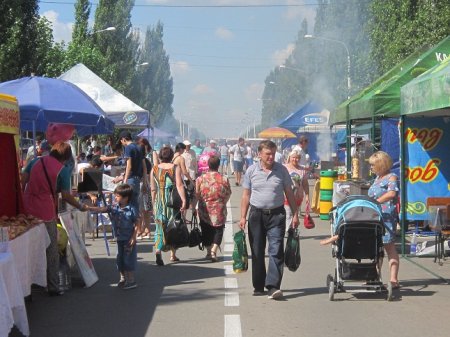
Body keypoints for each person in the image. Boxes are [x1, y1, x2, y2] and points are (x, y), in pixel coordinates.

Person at [21, 141, 88, 296]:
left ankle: (29, 285)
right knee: (51, 248)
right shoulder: (62, 170)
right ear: (66, 156)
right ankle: (52, 285)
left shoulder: (34, 161)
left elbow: (22, 181)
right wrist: (80, 206)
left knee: (30, 247)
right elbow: (65, 195)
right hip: (45, 210)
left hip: (28, 207)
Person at [239, 140, 299, 300]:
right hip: (256, 215)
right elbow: (246, 195)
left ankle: (273, 286)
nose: (271, 157)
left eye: (273, 153)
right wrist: (243, 217)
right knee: (257, 250)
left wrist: (295, 214)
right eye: (268, 154)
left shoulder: (282, 171)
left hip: (277, 215)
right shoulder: (251, 171)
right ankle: (258, 286)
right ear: (259, 154)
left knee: (276, 249)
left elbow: (289, 193)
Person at [89, 184, 139, 289]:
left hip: (128, 239)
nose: (115, 198)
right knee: (119, 259)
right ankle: (122, 278)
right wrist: (88, 208)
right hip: (119, 238)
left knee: (128, 259)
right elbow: (103, 209)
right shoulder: (114, 207)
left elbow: (137, 223)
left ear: (126, 198)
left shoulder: (131, 209)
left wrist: (134, 237)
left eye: (117, 196)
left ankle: (131, 280)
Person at [368, 151, 400, 289]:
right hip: (375, 215)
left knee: (389, 247)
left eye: (373, 165)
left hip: (387, 216)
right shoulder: (376, 178)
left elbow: (392, 193)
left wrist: (377, 202)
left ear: (381, 165)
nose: (371, 167)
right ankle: (374, 276)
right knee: (376, 247)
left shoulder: (391, 177)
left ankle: (394, 279)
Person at [150, 146, 187, 266]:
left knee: (159, 227)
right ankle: (173, 254)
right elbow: (180, 185)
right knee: (173, 226)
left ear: (161, 156)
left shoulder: (154, 169)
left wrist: (154, 204)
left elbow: (153, 189)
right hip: (172, 201)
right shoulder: (175, 168)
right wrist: (184, 200)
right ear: (171, 156)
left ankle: (158, 250)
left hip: (159, 202)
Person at [195, 156, 232, 262]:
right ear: (218, 165)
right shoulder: (224, 178)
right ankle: (214, 250)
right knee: (218, 230)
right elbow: (228, 193)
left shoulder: (200, 179)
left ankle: (208, 251)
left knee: (206, 229)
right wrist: (222, 202)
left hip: (204, 208)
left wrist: (198, 204)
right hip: (219, 208)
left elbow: (197, 194)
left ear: (208, 165)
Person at [115, 131, 146, 215]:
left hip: (131, 180)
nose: (121, 143)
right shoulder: (139, 147)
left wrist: (124, 181)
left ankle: (132, 225)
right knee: (135, 203)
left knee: (128, 205)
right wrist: (145, 181)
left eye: (121, 141)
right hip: (137, 179)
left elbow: (129, 166)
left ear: (124, 139)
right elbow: (144, 166)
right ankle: (137, 225)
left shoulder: (128, 148)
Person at [283, 150, 309, 232]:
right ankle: (288, 230)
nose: (295, 159)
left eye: (297, 158)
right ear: (289, 158)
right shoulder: (284, 168)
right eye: (293, 157)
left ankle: (292, 230)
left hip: (298, 197)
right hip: (286, 196)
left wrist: (307, 195)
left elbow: (305, 183)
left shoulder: (302, 169)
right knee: (288, 214)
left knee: (295, 214)